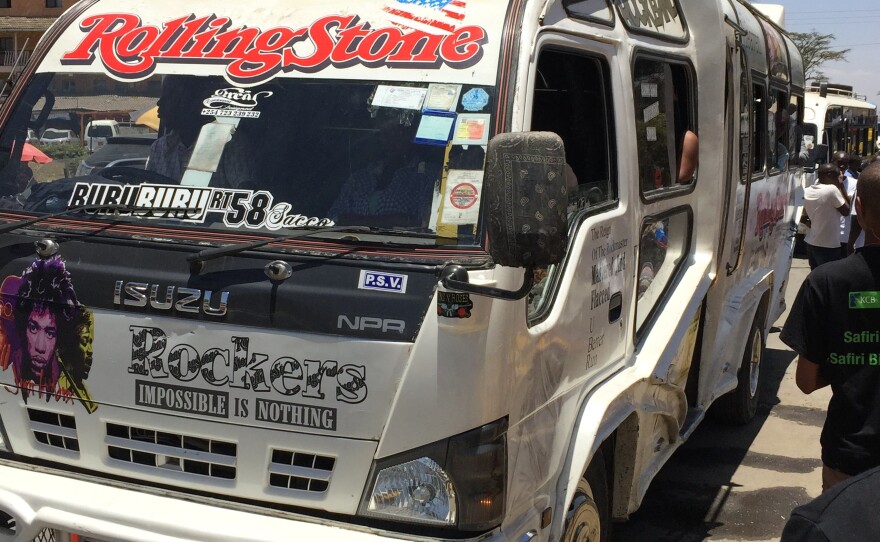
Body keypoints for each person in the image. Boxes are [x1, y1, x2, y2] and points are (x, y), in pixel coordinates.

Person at [780, 161, 880, 493]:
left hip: (850, 457)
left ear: (859, 209)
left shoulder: (825, 282)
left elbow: (806, 381)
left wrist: (850, 364)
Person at [146, 75, 257, 188]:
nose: (160, 103)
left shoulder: (228, 144)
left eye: (170, 97)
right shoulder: (159, 148)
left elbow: (245, 192)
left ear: (192, 102)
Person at [328, 111, 434, 228]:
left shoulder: (425, 178)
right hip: (345, 239)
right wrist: (393, 221)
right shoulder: (360, 177)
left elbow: (424, 223)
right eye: (385, 134)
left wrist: (355, 221)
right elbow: (333, 219)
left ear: (411, 136)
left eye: (397, 133)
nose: (390, 141)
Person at [801, 163, 850, 270]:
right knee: (831, 275)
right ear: (829, 175)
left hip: (811, 242)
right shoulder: (831, 190)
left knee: (816, 274)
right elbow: (846, 211)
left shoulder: (807, 190)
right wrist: (840, 185)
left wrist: (808, 222)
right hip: (828, 244)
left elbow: (800, 215)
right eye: (837, 176)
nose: (839, 178)